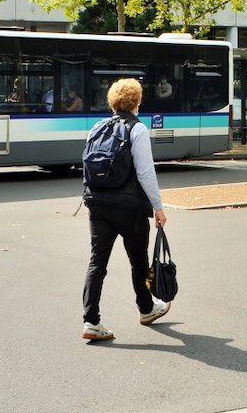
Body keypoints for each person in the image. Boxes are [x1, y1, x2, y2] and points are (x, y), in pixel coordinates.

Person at [81, 78, 171, 342]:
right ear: (136, 102)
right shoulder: (137, 129)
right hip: (128, 207)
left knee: (97, 262)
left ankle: (91, 321)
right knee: (138, 261)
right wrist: (158, 206)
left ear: (112, 101)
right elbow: (145, 172)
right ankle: (146, 309)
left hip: (97, 203)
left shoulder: (97, 127)